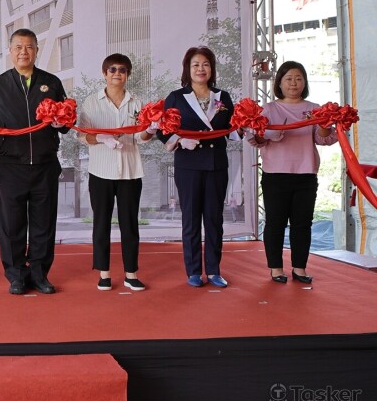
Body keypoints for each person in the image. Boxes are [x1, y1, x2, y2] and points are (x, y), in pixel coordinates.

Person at [0, 28, 69, 295]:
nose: (23, 52)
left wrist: (61, 122)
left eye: (29, 47)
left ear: (36, 50)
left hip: (44, 165)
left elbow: (65, 123)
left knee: (43, 224)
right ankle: (16, 275)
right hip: (11, 166)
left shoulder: (51, 83)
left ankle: (39, 274)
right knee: (12, 225)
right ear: (10, 51)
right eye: (18, 47)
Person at [248, 61, 336, 284]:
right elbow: (255, 139)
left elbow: (323, 139)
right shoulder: (268, 109)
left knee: (302, 223)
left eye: (298, 78)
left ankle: (299, 268)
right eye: (288, 79)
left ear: (304, 82)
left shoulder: (315, 109)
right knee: (275, 223)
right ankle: (276, 268)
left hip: (306, 174)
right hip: (275, 175)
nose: (293, 83)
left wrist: (325, 123)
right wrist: (267, 134)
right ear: (279, 83)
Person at [158, 46, 237, 288]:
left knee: (214, 220)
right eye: (196, 65)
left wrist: (250, 125)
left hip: (216, 165)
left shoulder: (223, 97)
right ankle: (193, 271)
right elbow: (163, 130)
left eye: (205, 64)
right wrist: (180, 140)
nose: (201, 69)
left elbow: (233, 129)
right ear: (188, 69)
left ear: (211, 69)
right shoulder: (176, 97)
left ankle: (213, 270)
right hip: (188, 165)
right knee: (191, 220)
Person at [77, 54, 154, 292]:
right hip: (100, 171)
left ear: (127, 74)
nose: (117, 74)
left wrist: (152, 129)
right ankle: (104, 273)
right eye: (112, 69)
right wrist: (101, 138)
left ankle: (131, 274)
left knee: (130, 225)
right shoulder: (92, 102)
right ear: (104, 73)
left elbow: (141, 138)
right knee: (101, 223)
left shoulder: (137, 103)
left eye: (122, 70)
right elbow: (82, 135)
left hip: (130, 171)